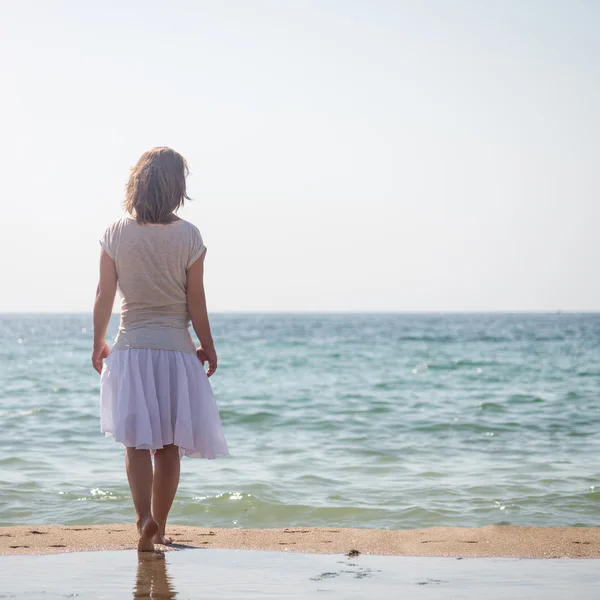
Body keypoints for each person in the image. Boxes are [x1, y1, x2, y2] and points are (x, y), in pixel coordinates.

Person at [92, 147, 229, 553]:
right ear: (177, 188)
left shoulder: (117, 232)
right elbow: (196, 300)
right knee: (169, 448)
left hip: (132, 348)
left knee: (135, 444)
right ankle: (161, 526)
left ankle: (143, 522)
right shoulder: (189, 236)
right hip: (176, 351)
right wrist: (207, 345)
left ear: (137, 182)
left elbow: (104, 293)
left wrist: (98, 341)